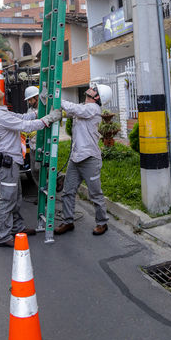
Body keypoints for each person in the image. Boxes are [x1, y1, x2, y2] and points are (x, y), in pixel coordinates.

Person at [0, 84, 62, 248]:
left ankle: (17, 228)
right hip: (7, 161)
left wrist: (39, 114)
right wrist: (48, 119)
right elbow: (26, 126)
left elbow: (22, 118)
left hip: (11, 160)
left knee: (15, 196)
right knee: (7, 198)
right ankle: (3, 235)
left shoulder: (2, 111)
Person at [54, 83, 112, 236]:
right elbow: (71, 112)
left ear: (97, 97)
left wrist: (57, 98)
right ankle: (68, 221)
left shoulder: (93, 109)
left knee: (95, 194)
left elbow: (75, 110)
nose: (90, 88)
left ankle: (102, 223)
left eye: (94, 89)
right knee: (68, 191)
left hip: (89, 159)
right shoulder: (84, 107)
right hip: (76, 158)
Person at [23, 85, 39, 186]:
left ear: (36, 97)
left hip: (42, 145)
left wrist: (38, 131)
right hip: (33, 144)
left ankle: (49, 189)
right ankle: (42, 193)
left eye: (30, 99)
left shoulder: (45, 109)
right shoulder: (30, 110)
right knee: (33, 171)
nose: (29, 102)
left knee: (39, 168)